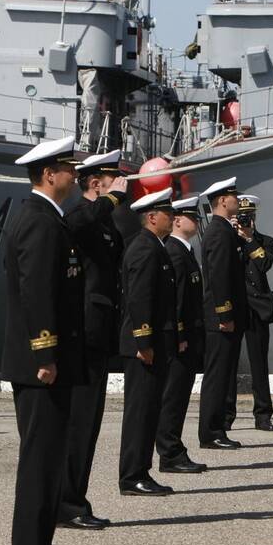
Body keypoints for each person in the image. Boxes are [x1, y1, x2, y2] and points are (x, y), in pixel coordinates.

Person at [0, 136, 83, 545]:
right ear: (49, 174)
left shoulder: (50, 218)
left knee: (49, 458)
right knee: (40, 459)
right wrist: (46, 352)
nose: (75, 175)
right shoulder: (38, 220)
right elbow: (36, 293)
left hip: (48, 361)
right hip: (41, 365)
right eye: (69, 167)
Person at [59, 149, 127, 530]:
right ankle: (66, 502)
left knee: (89, 423)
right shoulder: (82, 216)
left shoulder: (104, 222)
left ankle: (74, 498)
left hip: (99, 333)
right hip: (83, 333)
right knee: (79, 422)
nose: (121, 186)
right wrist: (111, 199)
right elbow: (78, 222)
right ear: (95, 182)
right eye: (113, 179)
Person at [118, 188, 179, 496]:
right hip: (144, 346)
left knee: (149, 409)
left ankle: (141, 471)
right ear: (152, 217)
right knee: (140, 412)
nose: (173, 218)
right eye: (168, 213)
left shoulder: (154, 246)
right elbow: (140, 298)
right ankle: (132, 475)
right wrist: (144, 341)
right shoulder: (144, 248)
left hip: (153, 343)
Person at [197, 177, 257, 450]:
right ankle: (211, 432)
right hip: (222, 319)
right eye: (234, 196)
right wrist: (225, 315)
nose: (238, 200)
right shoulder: (219, 233)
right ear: (222, 201)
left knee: (224, 374)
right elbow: (220, 278)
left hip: (228, 317)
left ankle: (216, 428)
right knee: (218, 376)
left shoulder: (224, 231)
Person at [156, 196, 208, 474]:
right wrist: (179, 334)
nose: (197, 222)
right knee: (173, 397)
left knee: (179, 396)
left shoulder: (184, 251)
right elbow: (173, 301)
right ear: (177, 221)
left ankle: (173, 448)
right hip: (181, 339)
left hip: (189, 335)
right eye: (192, 217)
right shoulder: (175, 251)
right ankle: (170, 452)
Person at [226, 194, 273, 432]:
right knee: (230, 363)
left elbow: (265, 264)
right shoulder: (226, 240)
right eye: (241, 217)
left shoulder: (265, 241)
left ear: (255, 217)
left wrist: (248, 240)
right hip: (235, 307)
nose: (246, 220)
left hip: (257, 307)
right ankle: (226, 415)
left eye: (249, 216)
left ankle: (263, 415)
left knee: (259, 363)